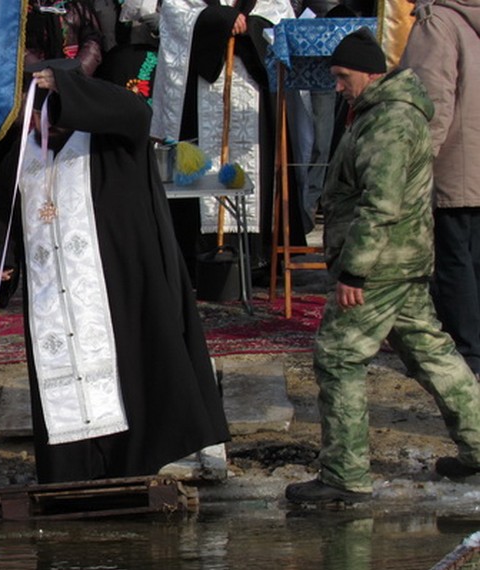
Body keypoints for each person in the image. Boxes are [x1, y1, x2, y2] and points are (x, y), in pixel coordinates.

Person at [0, 61, 229, 484]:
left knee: (127, 378)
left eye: (55, 115)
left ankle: (131, 466)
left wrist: (68, 86)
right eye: (39, 117)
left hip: (113, 291)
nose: (46, 127)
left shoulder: (113, 144)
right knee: (62, 388)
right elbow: (1, 206)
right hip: (51, 301)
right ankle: (70, 474)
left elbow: (137, 112)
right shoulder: (23, 157)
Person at [285, 29, 480, 504]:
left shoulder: (389, 122)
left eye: (342, 77)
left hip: (381, 265)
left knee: (338, 357)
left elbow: (381, 203)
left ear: (371, 73)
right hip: (402, 259)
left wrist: (354, 272)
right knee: (431, 353)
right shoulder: (384, 114)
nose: (337, 87)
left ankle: (344, 474)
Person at [150, 0, 294, 278]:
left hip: (252, 83)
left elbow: (280, 18)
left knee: (256, 165)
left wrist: (249, 26)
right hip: (202, 81)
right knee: (200, 162)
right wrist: (218, 20)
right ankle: (198, 256)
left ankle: (255, 259)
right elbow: (174, 14)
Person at [400, 0, 480, 381]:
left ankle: (467, 354)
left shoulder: (438, 24)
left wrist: (414, 163)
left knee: (453, 262)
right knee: (472, 259)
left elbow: (430, 100)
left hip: (455, 163)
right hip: (474, 161)